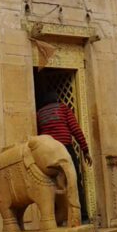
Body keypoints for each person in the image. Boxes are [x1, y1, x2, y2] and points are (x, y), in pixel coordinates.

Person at [36, 88, 91, 223]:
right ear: (56, 99)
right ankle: (82, 217)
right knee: (74, 182)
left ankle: (57, 218)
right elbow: (75, 129)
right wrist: (85, 150)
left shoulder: (40, 114)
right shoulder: (63, 108)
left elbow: (39, 136)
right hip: (65, 149)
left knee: (53, 185)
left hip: (48, 153)